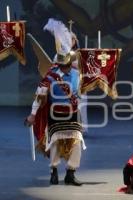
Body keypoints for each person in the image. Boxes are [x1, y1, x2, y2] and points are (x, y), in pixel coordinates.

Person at [25, 18, 86, 186]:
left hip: (72, 115)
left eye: (67, 64)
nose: (66, 67)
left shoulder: (76, 75)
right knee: (55, 143)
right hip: (55, 115)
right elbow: (39, 96)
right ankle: (53, 171)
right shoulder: (50, 77)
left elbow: (81, 91)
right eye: (63, 64)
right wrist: (32, 114)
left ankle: (71, 173)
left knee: (76, 143)